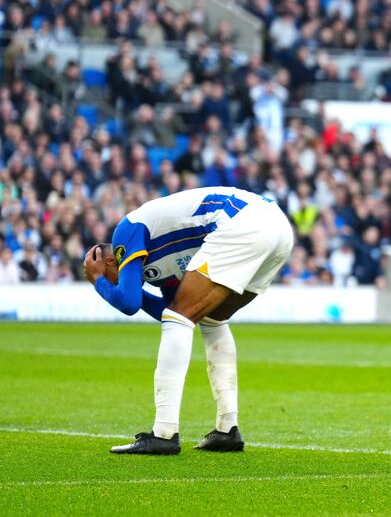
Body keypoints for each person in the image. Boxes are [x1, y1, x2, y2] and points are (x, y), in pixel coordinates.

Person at [83, 187, 294, 455]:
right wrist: (154, 301)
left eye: (111, 274)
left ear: (113, 261)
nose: (119, 281)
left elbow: (128, 302)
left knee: (178, 316)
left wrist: (98, 281)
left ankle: (164, 433)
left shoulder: (127, 229)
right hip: (276, 229)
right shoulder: (157, 263)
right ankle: (227, 430)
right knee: (208, 318)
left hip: (244, 223)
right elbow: (172, 311)